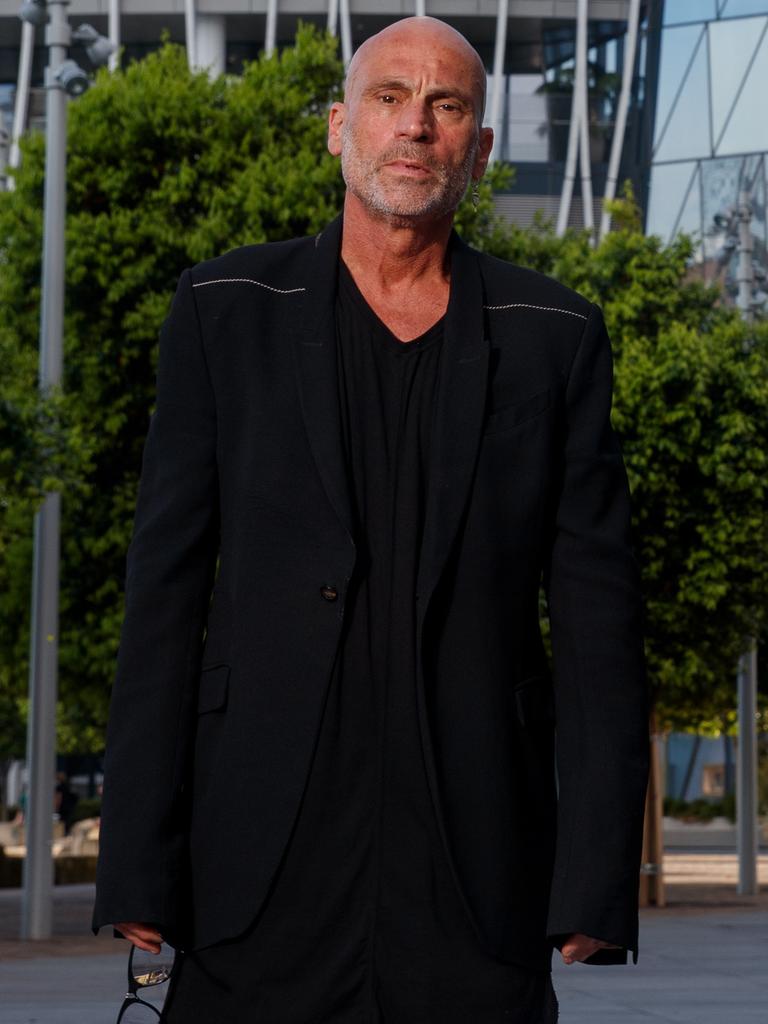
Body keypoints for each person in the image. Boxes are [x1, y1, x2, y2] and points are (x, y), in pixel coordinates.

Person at [92, 16, 649, 1023]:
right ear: (339, 126)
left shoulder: (554, 338)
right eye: (391, 98)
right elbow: (164, 595)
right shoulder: (224, 310)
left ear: (479, 151)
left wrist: (598, 875)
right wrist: (136, 858)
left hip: (476, 854)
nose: (415, 127)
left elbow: (601, 626)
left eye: (446, 106)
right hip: (256, 852)